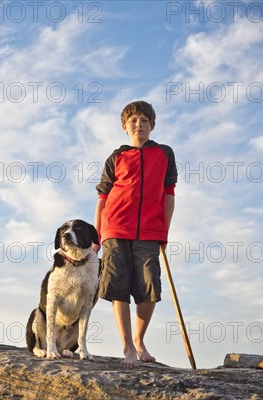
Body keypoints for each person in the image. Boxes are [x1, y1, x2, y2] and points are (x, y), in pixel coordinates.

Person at [94, 100, 177, 368]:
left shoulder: (164, 154)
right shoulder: (115, 157)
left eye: (143, 120)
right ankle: (128, 346)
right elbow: (103, 197)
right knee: (118, 286)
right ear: (124, 126)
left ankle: (140, 340)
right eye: (133, 121)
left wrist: (164, 231)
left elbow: (168, 194)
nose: (138, 124)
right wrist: (97, 235)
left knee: (149, 286)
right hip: (115, 228)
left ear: (152, 125)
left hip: (150, 230)